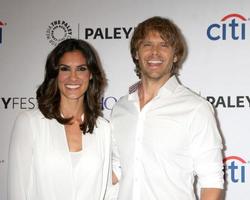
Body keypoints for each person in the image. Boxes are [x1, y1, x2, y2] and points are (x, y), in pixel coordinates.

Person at [111, 16, 224, 200]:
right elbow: (116, 167)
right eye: (147, 44)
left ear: (175, 55)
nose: (154, 52)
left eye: (163, 45)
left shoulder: (195, 108)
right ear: (136, 53)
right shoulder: (121, 108)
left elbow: (212, 181)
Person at [8, 38, 113, 200]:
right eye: (65, 69)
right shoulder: (29, 123)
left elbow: (106, 192)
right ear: (55, 74)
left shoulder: (103, 128)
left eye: (81, 69)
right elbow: (17, 191)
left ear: (91, 74)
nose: (73, 77)